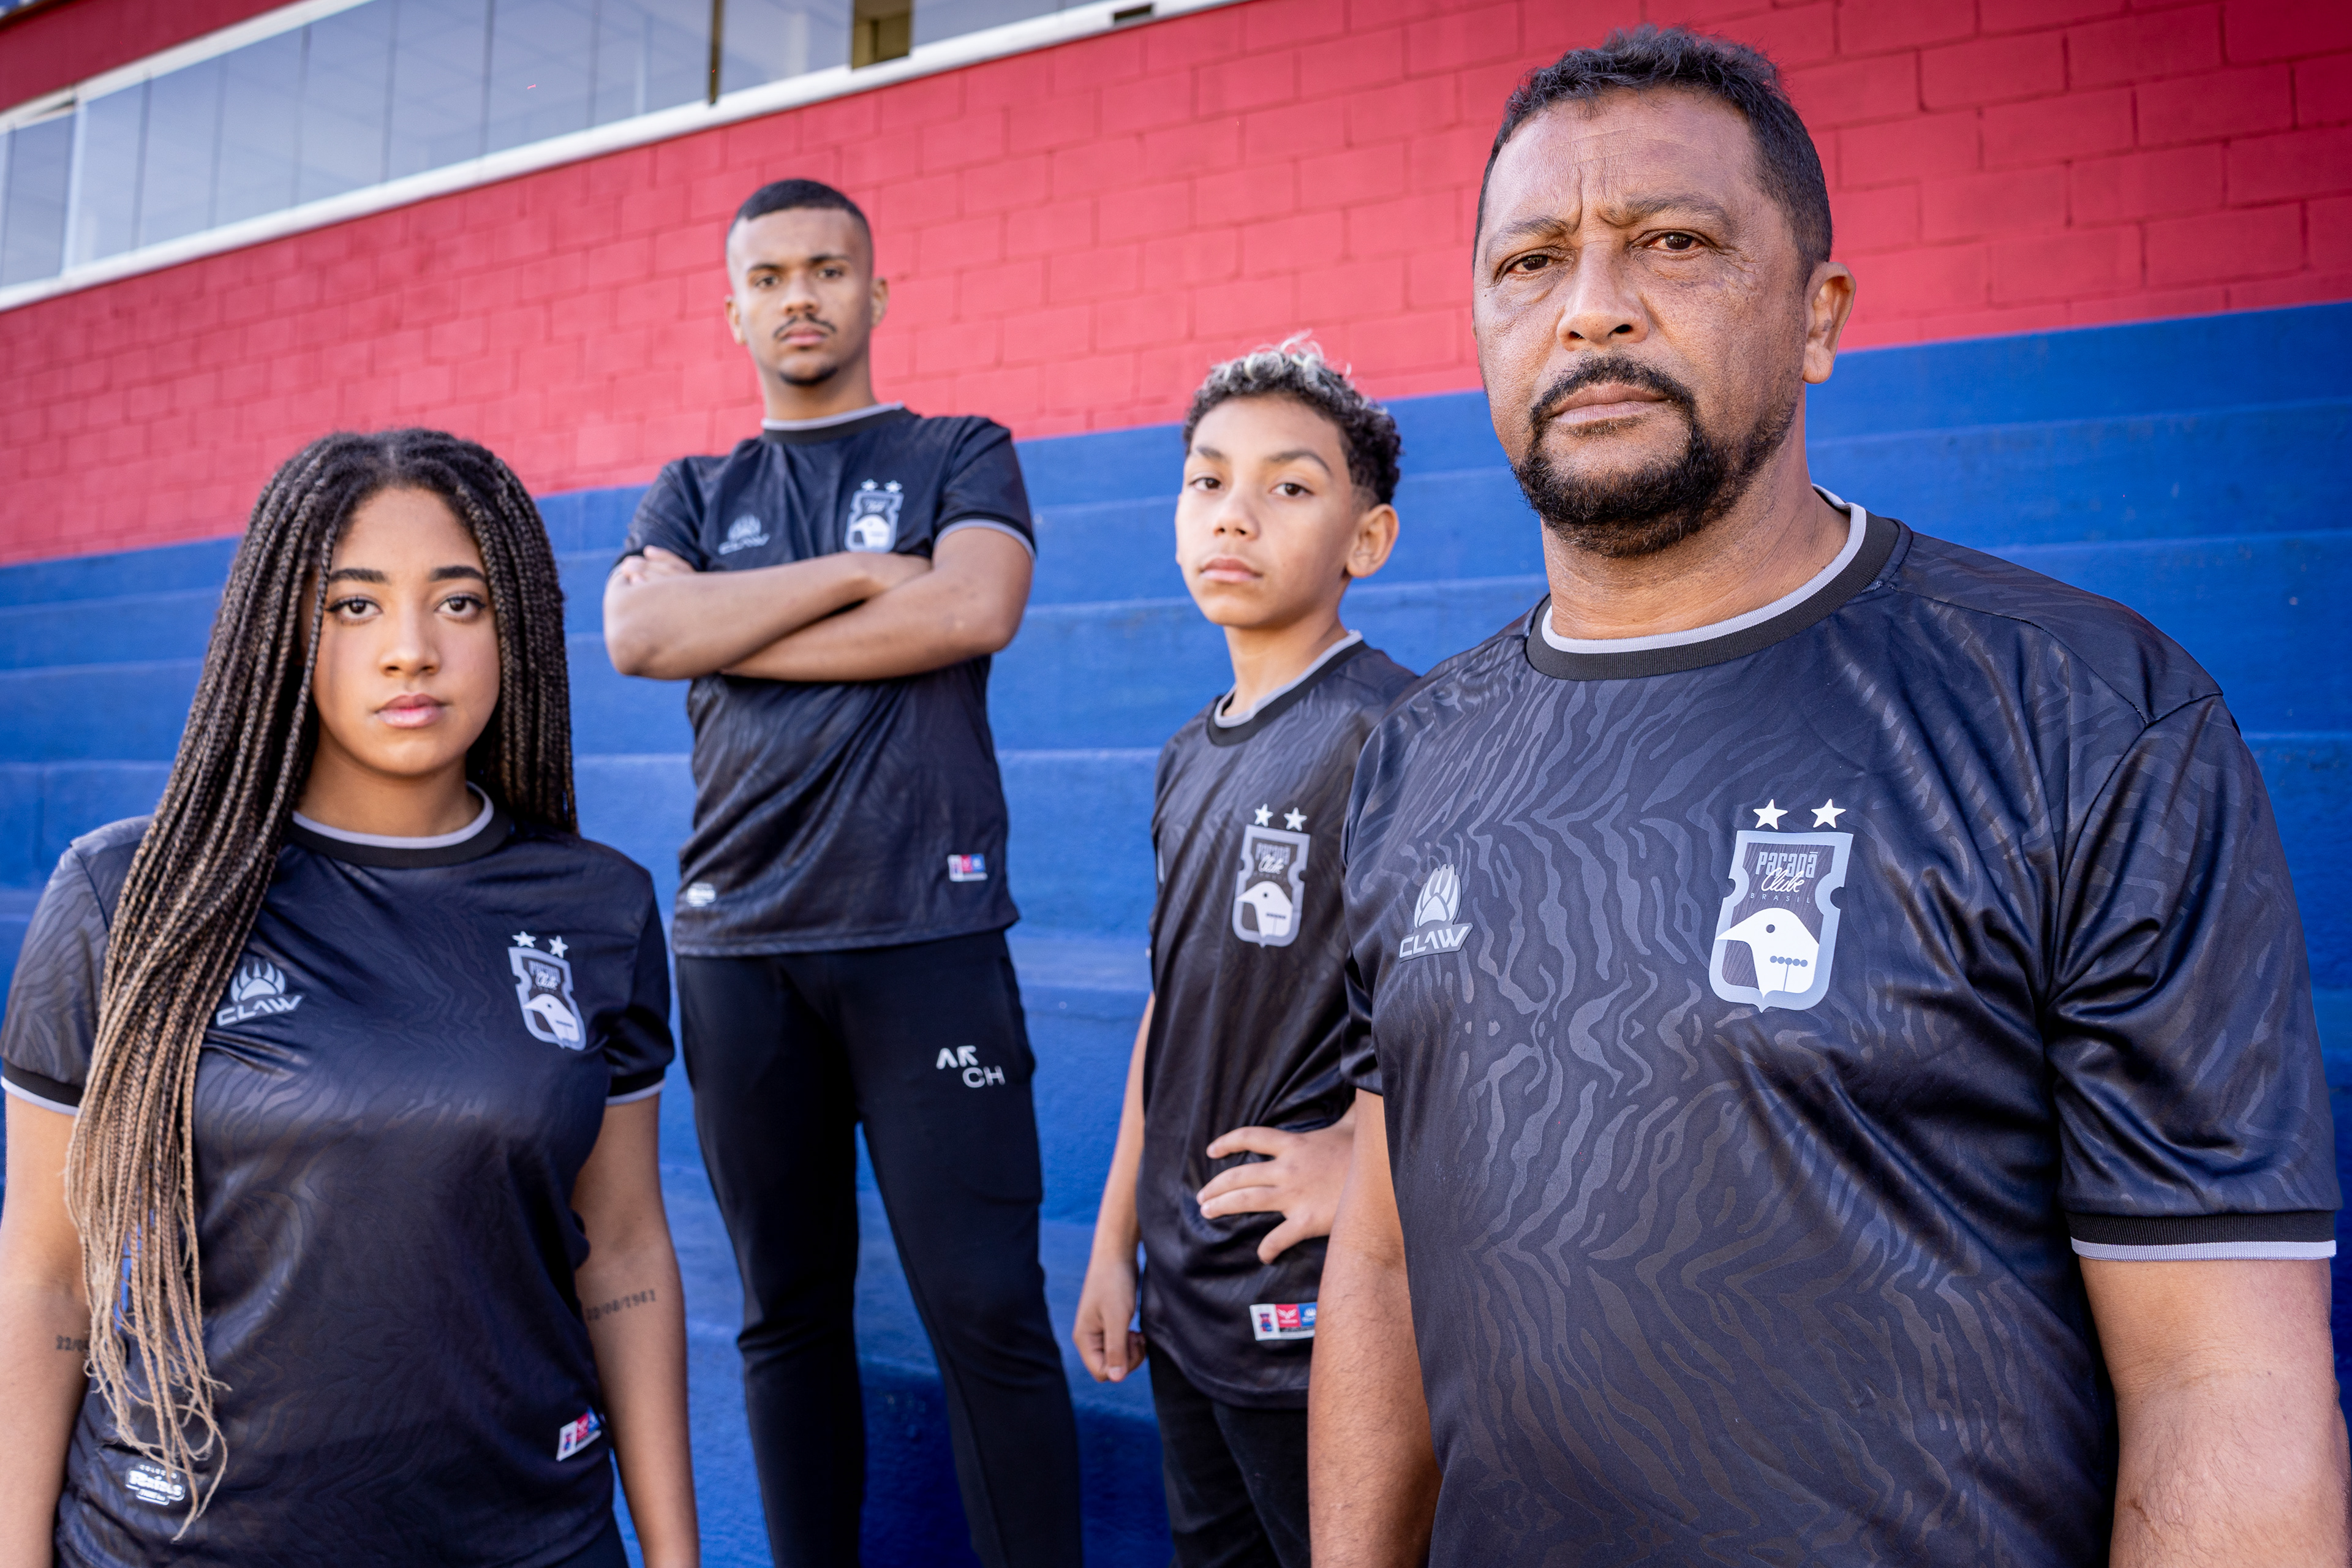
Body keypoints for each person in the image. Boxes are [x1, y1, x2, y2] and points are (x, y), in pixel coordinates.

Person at [1310, 25, 2346, 1568]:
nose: (1592, 304)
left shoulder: (2086, 717)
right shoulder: (1413, 756)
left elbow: (2225, 1380)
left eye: (1674, 241)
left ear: (1818, 315)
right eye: (1531, 262)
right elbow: (1391, 1257)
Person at [0, 430, 697, 1567]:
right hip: (185, 1543)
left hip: (522, 1541)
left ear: (516, 628)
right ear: (281, 629)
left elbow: (621, 1252)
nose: (410, 651)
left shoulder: (598, 906)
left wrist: (674, 1554)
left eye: (461, 603)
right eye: (353, 606)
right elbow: (46, 1275)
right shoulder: (127, 897)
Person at [601, 178, 1079, 1567]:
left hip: (927, 932)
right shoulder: (694, 490)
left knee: (987, 1310)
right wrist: (867, 576)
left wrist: (730, 630)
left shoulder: (958, 449)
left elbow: (974, 604)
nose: (798, 296)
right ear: (733, 309)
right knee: (787, 1314)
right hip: (741, 949)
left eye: (825, 269)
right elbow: (639, 639)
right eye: (769, 277)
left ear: (876, 293)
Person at [1072, 341, 1416, 1568]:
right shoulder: (1185, 754)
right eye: (1208, 481)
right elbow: (1173, 1001)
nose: (1235, 514)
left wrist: (1361, 1159)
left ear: (1366, 539)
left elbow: (1459, 999)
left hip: (1308, 1292)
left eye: (1290, 486)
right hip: (1183, 1281)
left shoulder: (1395, 730)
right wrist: (1115, 1238)